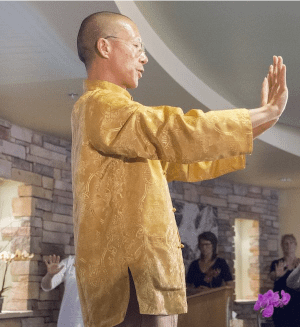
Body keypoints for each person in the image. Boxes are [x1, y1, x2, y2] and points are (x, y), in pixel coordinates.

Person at [72, 11, 288, 328]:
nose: (144, 59)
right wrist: (260, 115)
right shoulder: (98, 105)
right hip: (129, 274)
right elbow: (173, 131)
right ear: (105, 46)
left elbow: (181, 157)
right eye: (136, 46)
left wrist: (256, 127)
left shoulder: (120, 121)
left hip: (143, 273)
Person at [41, 254, 84, 327]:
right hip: (69, 323)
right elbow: (46, 286)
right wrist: (50, 275)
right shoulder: (70, 262)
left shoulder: (106, 264)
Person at [270, 234, 300, 327]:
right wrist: (277, 275)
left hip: (297, 306)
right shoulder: (277, 263)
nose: (289, 245)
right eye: (286, 243)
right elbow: (272, 276)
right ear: (282, 246)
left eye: (291, 243)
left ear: (295, 245)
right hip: (280, 307)